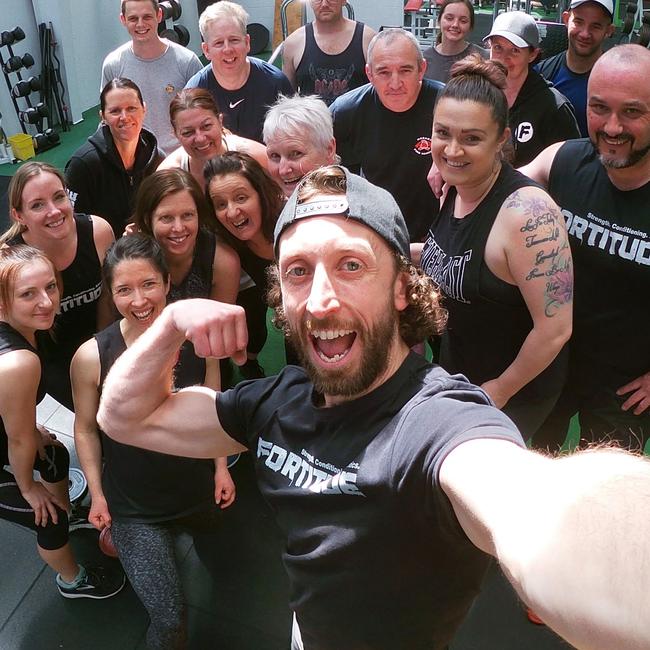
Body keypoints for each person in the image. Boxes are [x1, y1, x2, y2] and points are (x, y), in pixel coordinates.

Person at [99, 164, 650, 650]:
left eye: (351, 266)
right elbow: (122, 417)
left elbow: (537, 505)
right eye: (298, 272)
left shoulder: (439, 423)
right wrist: (171, 322)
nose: (320, 298)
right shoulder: (275, 401)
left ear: (403, 289)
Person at [71, 234, 232, 647]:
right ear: (111, 292)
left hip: (196, 486)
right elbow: (86, 428)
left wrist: (219, 467)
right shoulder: (92, 356)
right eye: (124, 289)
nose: (139, 300)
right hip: (134, 505)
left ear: (166, 283)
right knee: (168, 618)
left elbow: (213, 401)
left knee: (233, 571)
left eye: (148, 285)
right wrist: (97, 494)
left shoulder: (198, 337)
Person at [416, 55, 572, 441]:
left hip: (513, 390)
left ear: (502, 138)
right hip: (461, 372)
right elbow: (449, 256)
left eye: (472, 138)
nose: (452, 150)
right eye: (443, 133)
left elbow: (554, 329)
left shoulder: (528, 215)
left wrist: (497, 391)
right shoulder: (455, 188)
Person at [519, 44, 650, 451]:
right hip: (552, 365)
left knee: (606, 503)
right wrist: (448, 162)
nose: (612, 127)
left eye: (632, 111)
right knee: (531, 477)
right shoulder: (564, 161)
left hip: (624, 388)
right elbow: (498, 187)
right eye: (599, 108)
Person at [0, 245, 125, 600]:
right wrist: (27, 487)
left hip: (6, 435)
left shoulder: (23, 334)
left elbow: (14, 415)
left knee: (53, 453)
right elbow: (20, 442)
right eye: (28, 294)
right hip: (7, 446)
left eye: (50, 287)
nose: (46, 301)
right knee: (47, 517)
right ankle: (73, 580)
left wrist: (28, 431)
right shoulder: (18, 361)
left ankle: (70, 515)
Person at [1, 162, 114, 410]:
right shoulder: (7, 260)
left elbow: (108, 296)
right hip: (51, 359)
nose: (54, 211)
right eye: (37, 205)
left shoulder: (98, 232)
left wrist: (102, 350)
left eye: (58, 197)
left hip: (98, 341)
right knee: (96, 419)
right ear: (19, 215)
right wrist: (24, 422)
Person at [331, 28, 441, 242]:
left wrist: (447, 156)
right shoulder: (345, 112)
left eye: (405, 70)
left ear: (422, 69)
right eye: (384, 72)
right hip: (378, 233)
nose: (395, 83)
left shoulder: (448, 104)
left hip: (438, 235)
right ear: (369, 73)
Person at [204, 151, 287, 374]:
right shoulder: (229, 241)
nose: (232, 212)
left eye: (241, 198)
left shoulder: (292, 225)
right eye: (221, 204)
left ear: (261, 194)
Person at [65, 78, 165, 237]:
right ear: (102, 116)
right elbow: (71, 224)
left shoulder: (156, 159)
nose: (124, 117)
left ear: (144, 109)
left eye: (132, 108)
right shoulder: (84, 165)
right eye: (115, 111)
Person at [101, 0, 203, 154]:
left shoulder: (186, 61)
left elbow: (203, 112)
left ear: (159, 15)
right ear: (123, 20)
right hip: (135, 160)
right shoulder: (113, 64)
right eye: (133, 18)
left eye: (147, 17)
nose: (140, 24)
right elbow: (108, 118)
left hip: (180, 158)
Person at [185, 1, 293, 143]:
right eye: (218, 43)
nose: (228, 49)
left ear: (247, 42)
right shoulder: (196, 91)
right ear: (206, 50)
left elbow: (293, 137)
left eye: (234, 40)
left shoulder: (275, 83)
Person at [131, 168, 240, 306]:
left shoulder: (222, 262)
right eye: (166, 218)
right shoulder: (131, 257)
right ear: (148, 219)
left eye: (187, 215)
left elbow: (221, 323)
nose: (178, 228)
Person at [484, 11, 580, 166]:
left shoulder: (554, 106)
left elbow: (570, 166)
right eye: (498, 47)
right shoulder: (478, 93)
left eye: (515, 50)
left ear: (532, 54)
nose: (504, 57)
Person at [158, 88, 268, 191]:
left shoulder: (256, 157)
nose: (200, 138)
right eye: (188, 132)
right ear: (176, 134)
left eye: (206, 126)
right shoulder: (169, 175)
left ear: (220, 121)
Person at [536, 0, 614, 137]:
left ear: (608, 31)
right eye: (578, 22)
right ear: (566, 19)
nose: (585, 34)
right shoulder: (541, 74)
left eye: (595, 26)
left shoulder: (619, 82)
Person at [281, 0, 375, 105]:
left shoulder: (368, 39)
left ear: (343, 1)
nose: (324, 4)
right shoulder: (293, 43)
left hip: (359, 120)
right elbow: (287, 101)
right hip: (312, 120)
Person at [263, 94, 338, 199]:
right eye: (275, 156)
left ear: (329, 150)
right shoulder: (269, 209)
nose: (283, 170)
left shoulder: (355, 206)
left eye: (295, 154)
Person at [422, 0, 488, 84]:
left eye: (463, 21)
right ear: (439, 21)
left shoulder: (483, 58)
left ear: (470, 26)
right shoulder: (425, 59)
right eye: (449, 18)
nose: (455, 25)